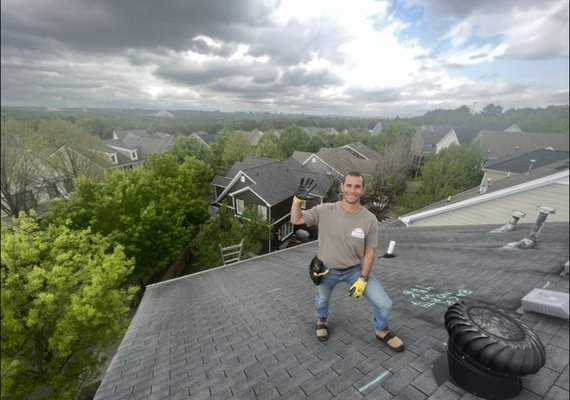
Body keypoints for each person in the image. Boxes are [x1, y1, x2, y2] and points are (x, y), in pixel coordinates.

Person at [291, 172, 404, 352]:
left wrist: (363, 278)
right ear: (342, 187)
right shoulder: (325, 210)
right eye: (349, 185)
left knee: (385, 303)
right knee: (322, 301)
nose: (352, 190)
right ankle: (322, 321)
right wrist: (297, 200)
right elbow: (296, 219)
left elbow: (370, 251)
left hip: (354, 271)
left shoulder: (369, 219)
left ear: (363, 190)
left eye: (357, 186)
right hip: (326, 270)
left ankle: (382, 330)